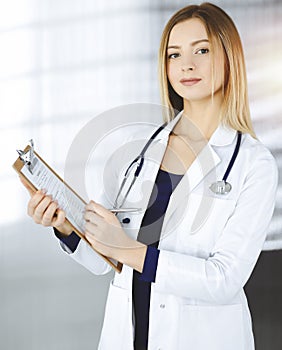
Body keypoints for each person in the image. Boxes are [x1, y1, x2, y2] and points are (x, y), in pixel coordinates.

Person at [21, 3, 278, 350]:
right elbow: (107, 261)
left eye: (201, 50)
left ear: (229, 57)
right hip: (127, 336)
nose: (186, 65)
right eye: (174, 55)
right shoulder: (137, 151)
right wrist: (65, 227)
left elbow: (224, 279)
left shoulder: (253, 164)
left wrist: (130, 250)